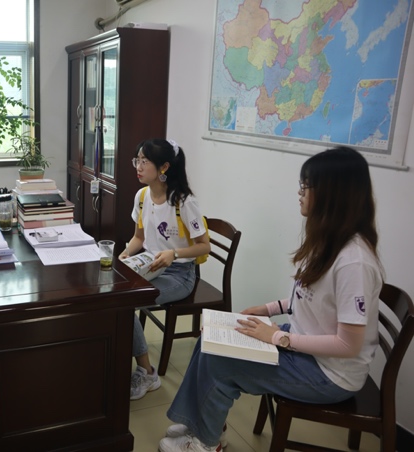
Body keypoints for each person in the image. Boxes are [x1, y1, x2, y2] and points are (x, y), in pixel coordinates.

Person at [159, 146, 384, 452]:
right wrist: (266, 309)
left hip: (329, 373)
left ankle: (207, 442)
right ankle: (201, 423)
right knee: (209, 339)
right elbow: (307, 297)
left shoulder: (354, 261)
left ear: (332, 194)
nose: (299, 193)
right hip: (305, 346)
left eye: (306, 186)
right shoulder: (328, 241)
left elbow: (349, 345)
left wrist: (279, 338)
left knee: (220, 362)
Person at [120, 138, 210, 400]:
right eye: (137, 160)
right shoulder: (142, 196)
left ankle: (147, 373)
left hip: (180, 275)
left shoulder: (183, 202)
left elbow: (204, 246)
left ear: (164, 167)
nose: (138, 166)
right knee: (113, 294)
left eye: (144, 161)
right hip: (149, 266)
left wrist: (175, 253)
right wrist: (124, 255)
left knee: (126, 302)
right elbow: (139, 238)